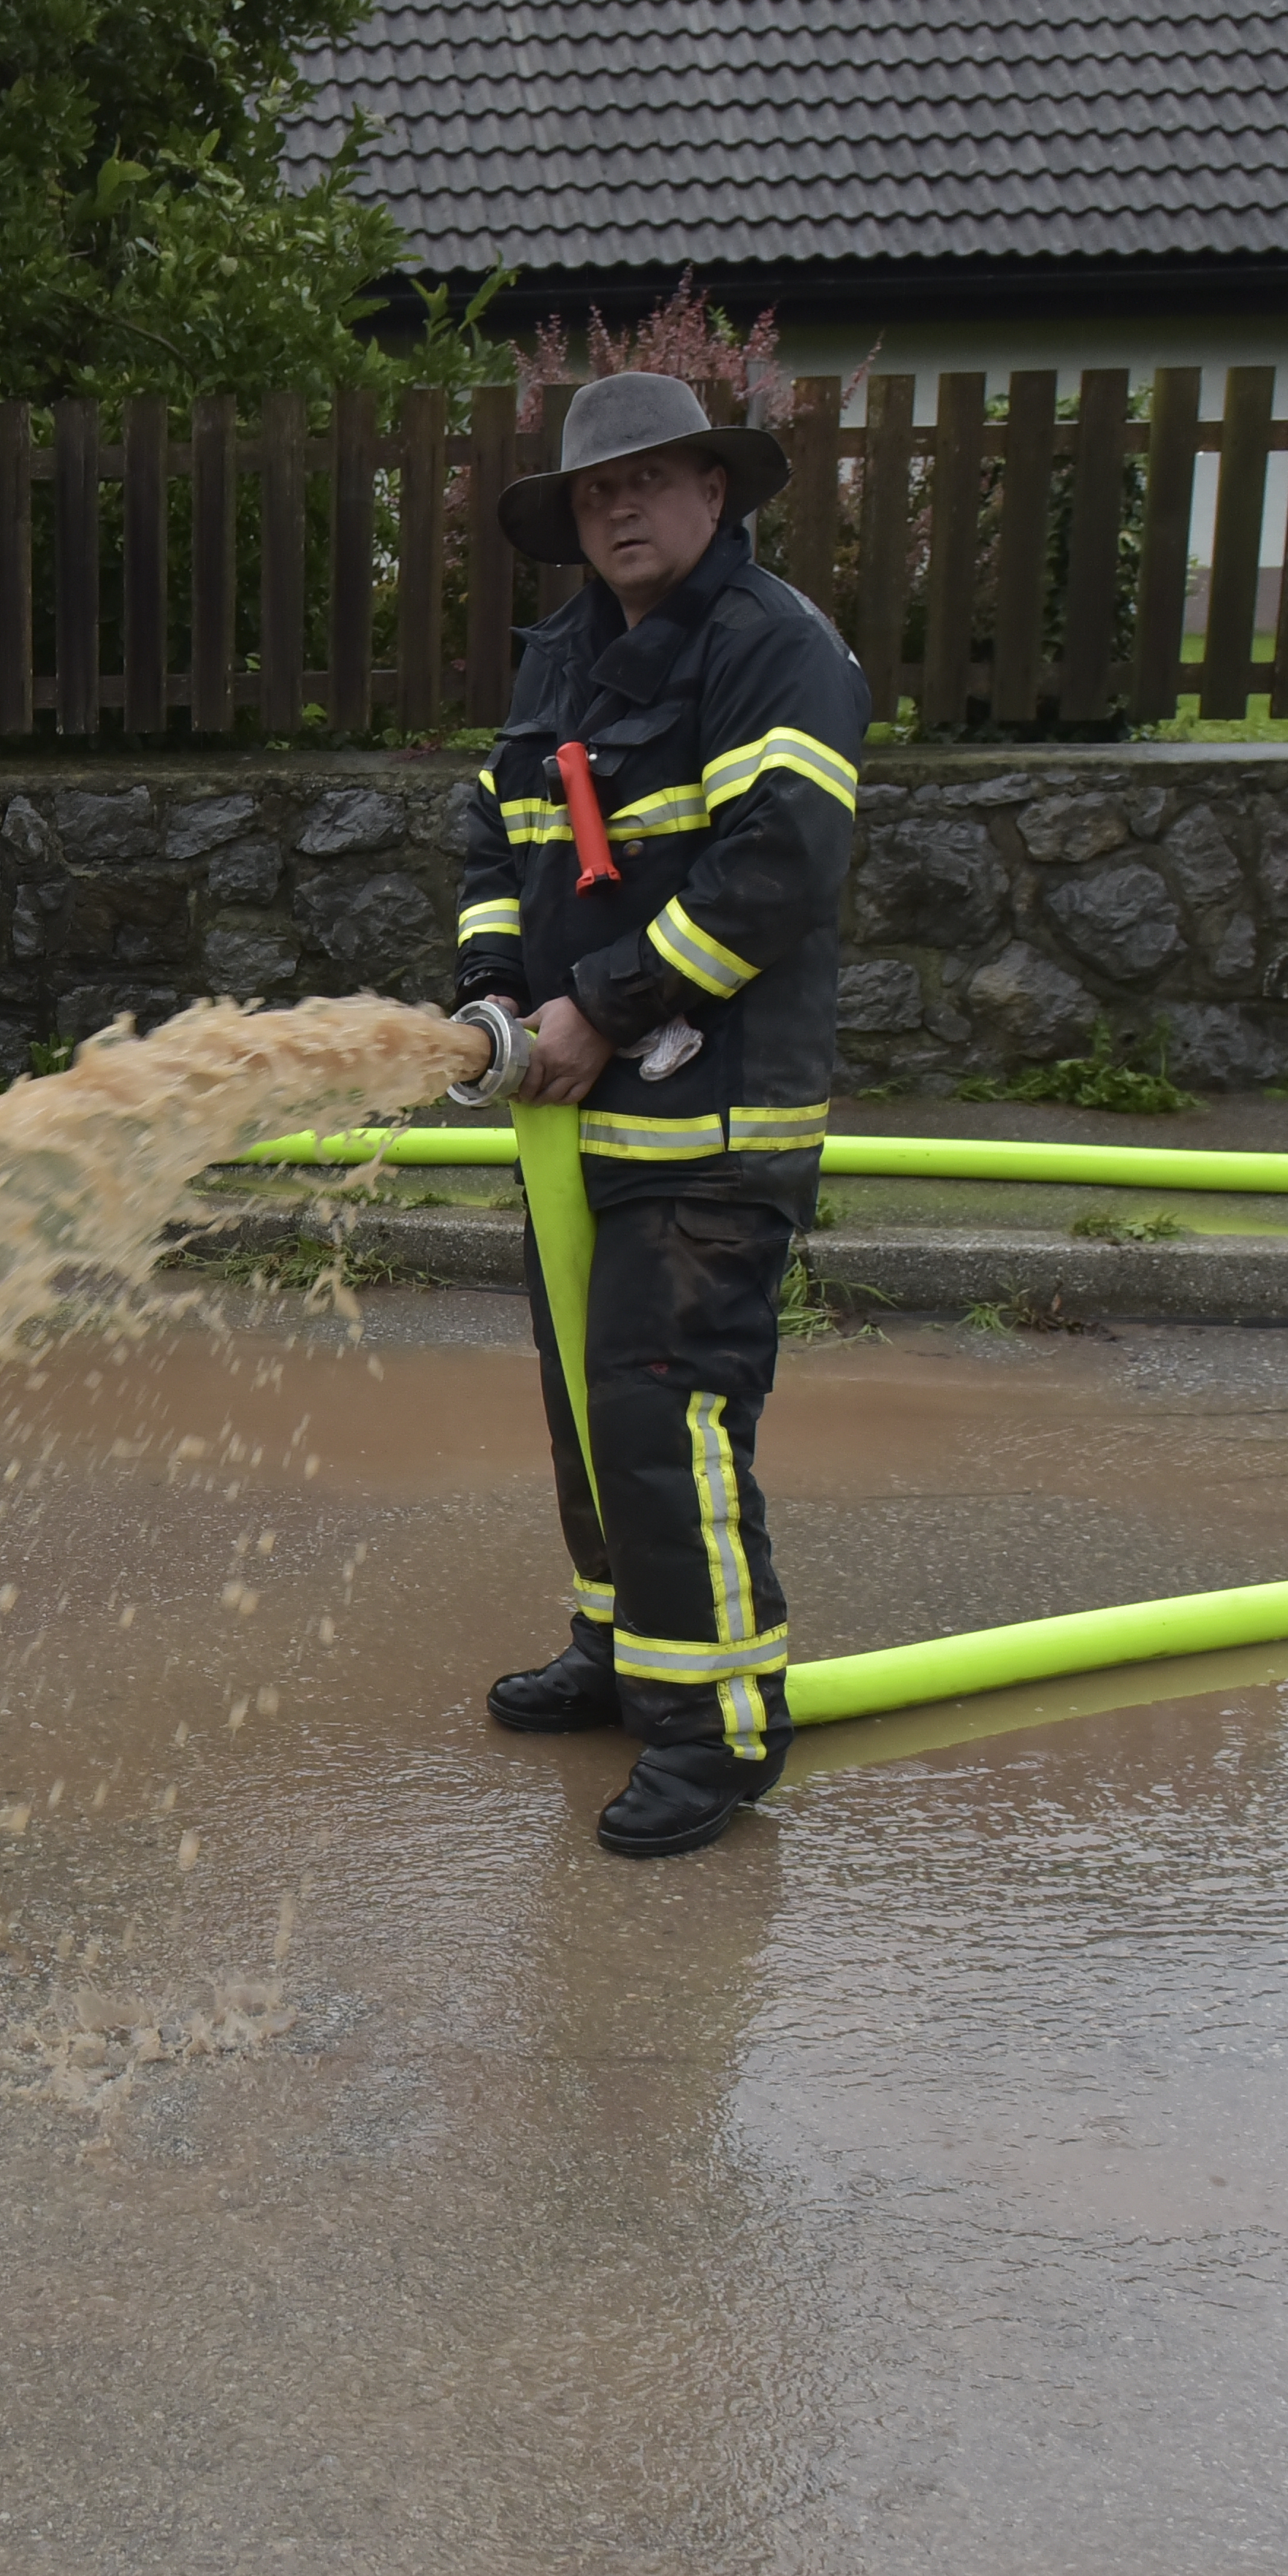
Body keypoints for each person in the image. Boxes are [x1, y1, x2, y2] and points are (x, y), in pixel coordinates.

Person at [449, 371, 864, 1859]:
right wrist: (493, 993)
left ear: (713, 489)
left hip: (710, 1130)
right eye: (592, 490)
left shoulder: (772, 648)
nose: (617, 507)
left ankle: (714, 1730)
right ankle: (621, 1649)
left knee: (663, 1414)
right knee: (591, 1410)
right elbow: (497, 841)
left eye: (645, 478)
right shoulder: (561, 659)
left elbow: (777, 863)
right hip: (575, 1127)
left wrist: (598, 1008)